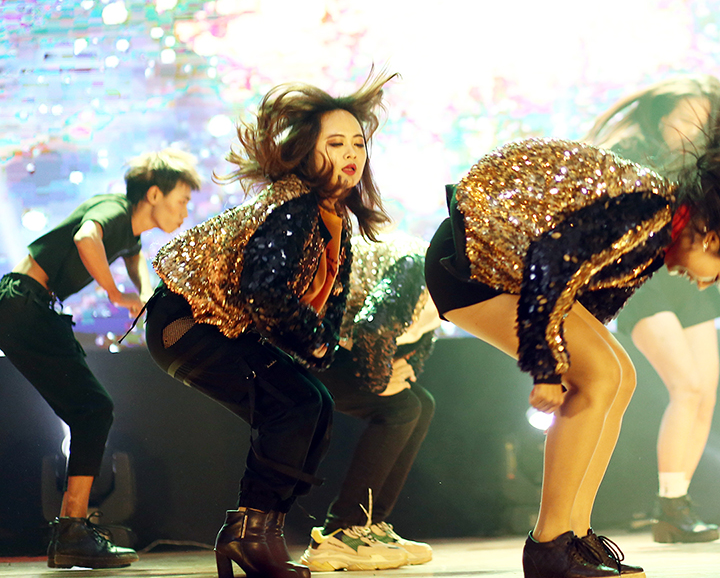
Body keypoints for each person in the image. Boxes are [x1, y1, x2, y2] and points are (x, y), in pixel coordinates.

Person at [425, 79, 720, 578]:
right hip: (470, 263)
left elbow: (588, 300)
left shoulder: (660, 232)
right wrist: (546, 366)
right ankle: (548, 545)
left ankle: (576, 537)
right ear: (712, 238)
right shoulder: (647, 213)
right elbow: (549, 262)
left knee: (620, 375)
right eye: (717, 275)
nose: (704, 284)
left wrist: (566, 356)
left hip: (512, 269)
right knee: (600, 374)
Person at [145, 73, 394, 578]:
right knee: (294, 403)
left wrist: (324, 348)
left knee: (313, 403)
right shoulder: (295, 204)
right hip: (187, 322)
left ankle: (260, 532)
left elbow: (327, 310)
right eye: (336, 143)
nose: (351, 153)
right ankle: (250, 535)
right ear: (306, 152)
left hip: (222, 326)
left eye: (358, 142)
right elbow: (264, 289)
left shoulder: (333, 217)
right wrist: (316, 345)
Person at [0, 148, 200, 568]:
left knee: (90, 410)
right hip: (24, 302)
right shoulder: (115, 209)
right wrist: (115, 294)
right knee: (93, 409)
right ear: (153, 195)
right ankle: (71, 531)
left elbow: (137, 262)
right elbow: (86, 238)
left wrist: (145, 293)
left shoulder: (131, 234)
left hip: (24, 305)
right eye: (182, 200)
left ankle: (71, 531)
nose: (185, 211)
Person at [586, 76, 720, 543]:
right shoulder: (630, 155)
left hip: (692, 282)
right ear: (662, 118)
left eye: (702, 119)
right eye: (685, 116)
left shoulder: (709, 165)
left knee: (706, 394)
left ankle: (676, 504)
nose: (694, 126)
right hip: (644, 283)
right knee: (687, 387)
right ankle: (670, 506)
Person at [301, 232, 439, 571]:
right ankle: (340, 532)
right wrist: (380, 379)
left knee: (421, 404)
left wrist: (402, 369)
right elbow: (374, 327)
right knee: (402, 408)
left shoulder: (446, 278)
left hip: (334, 345)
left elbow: (419, 334)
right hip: (300, 344)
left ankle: (369, 525)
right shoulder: (421, 269)